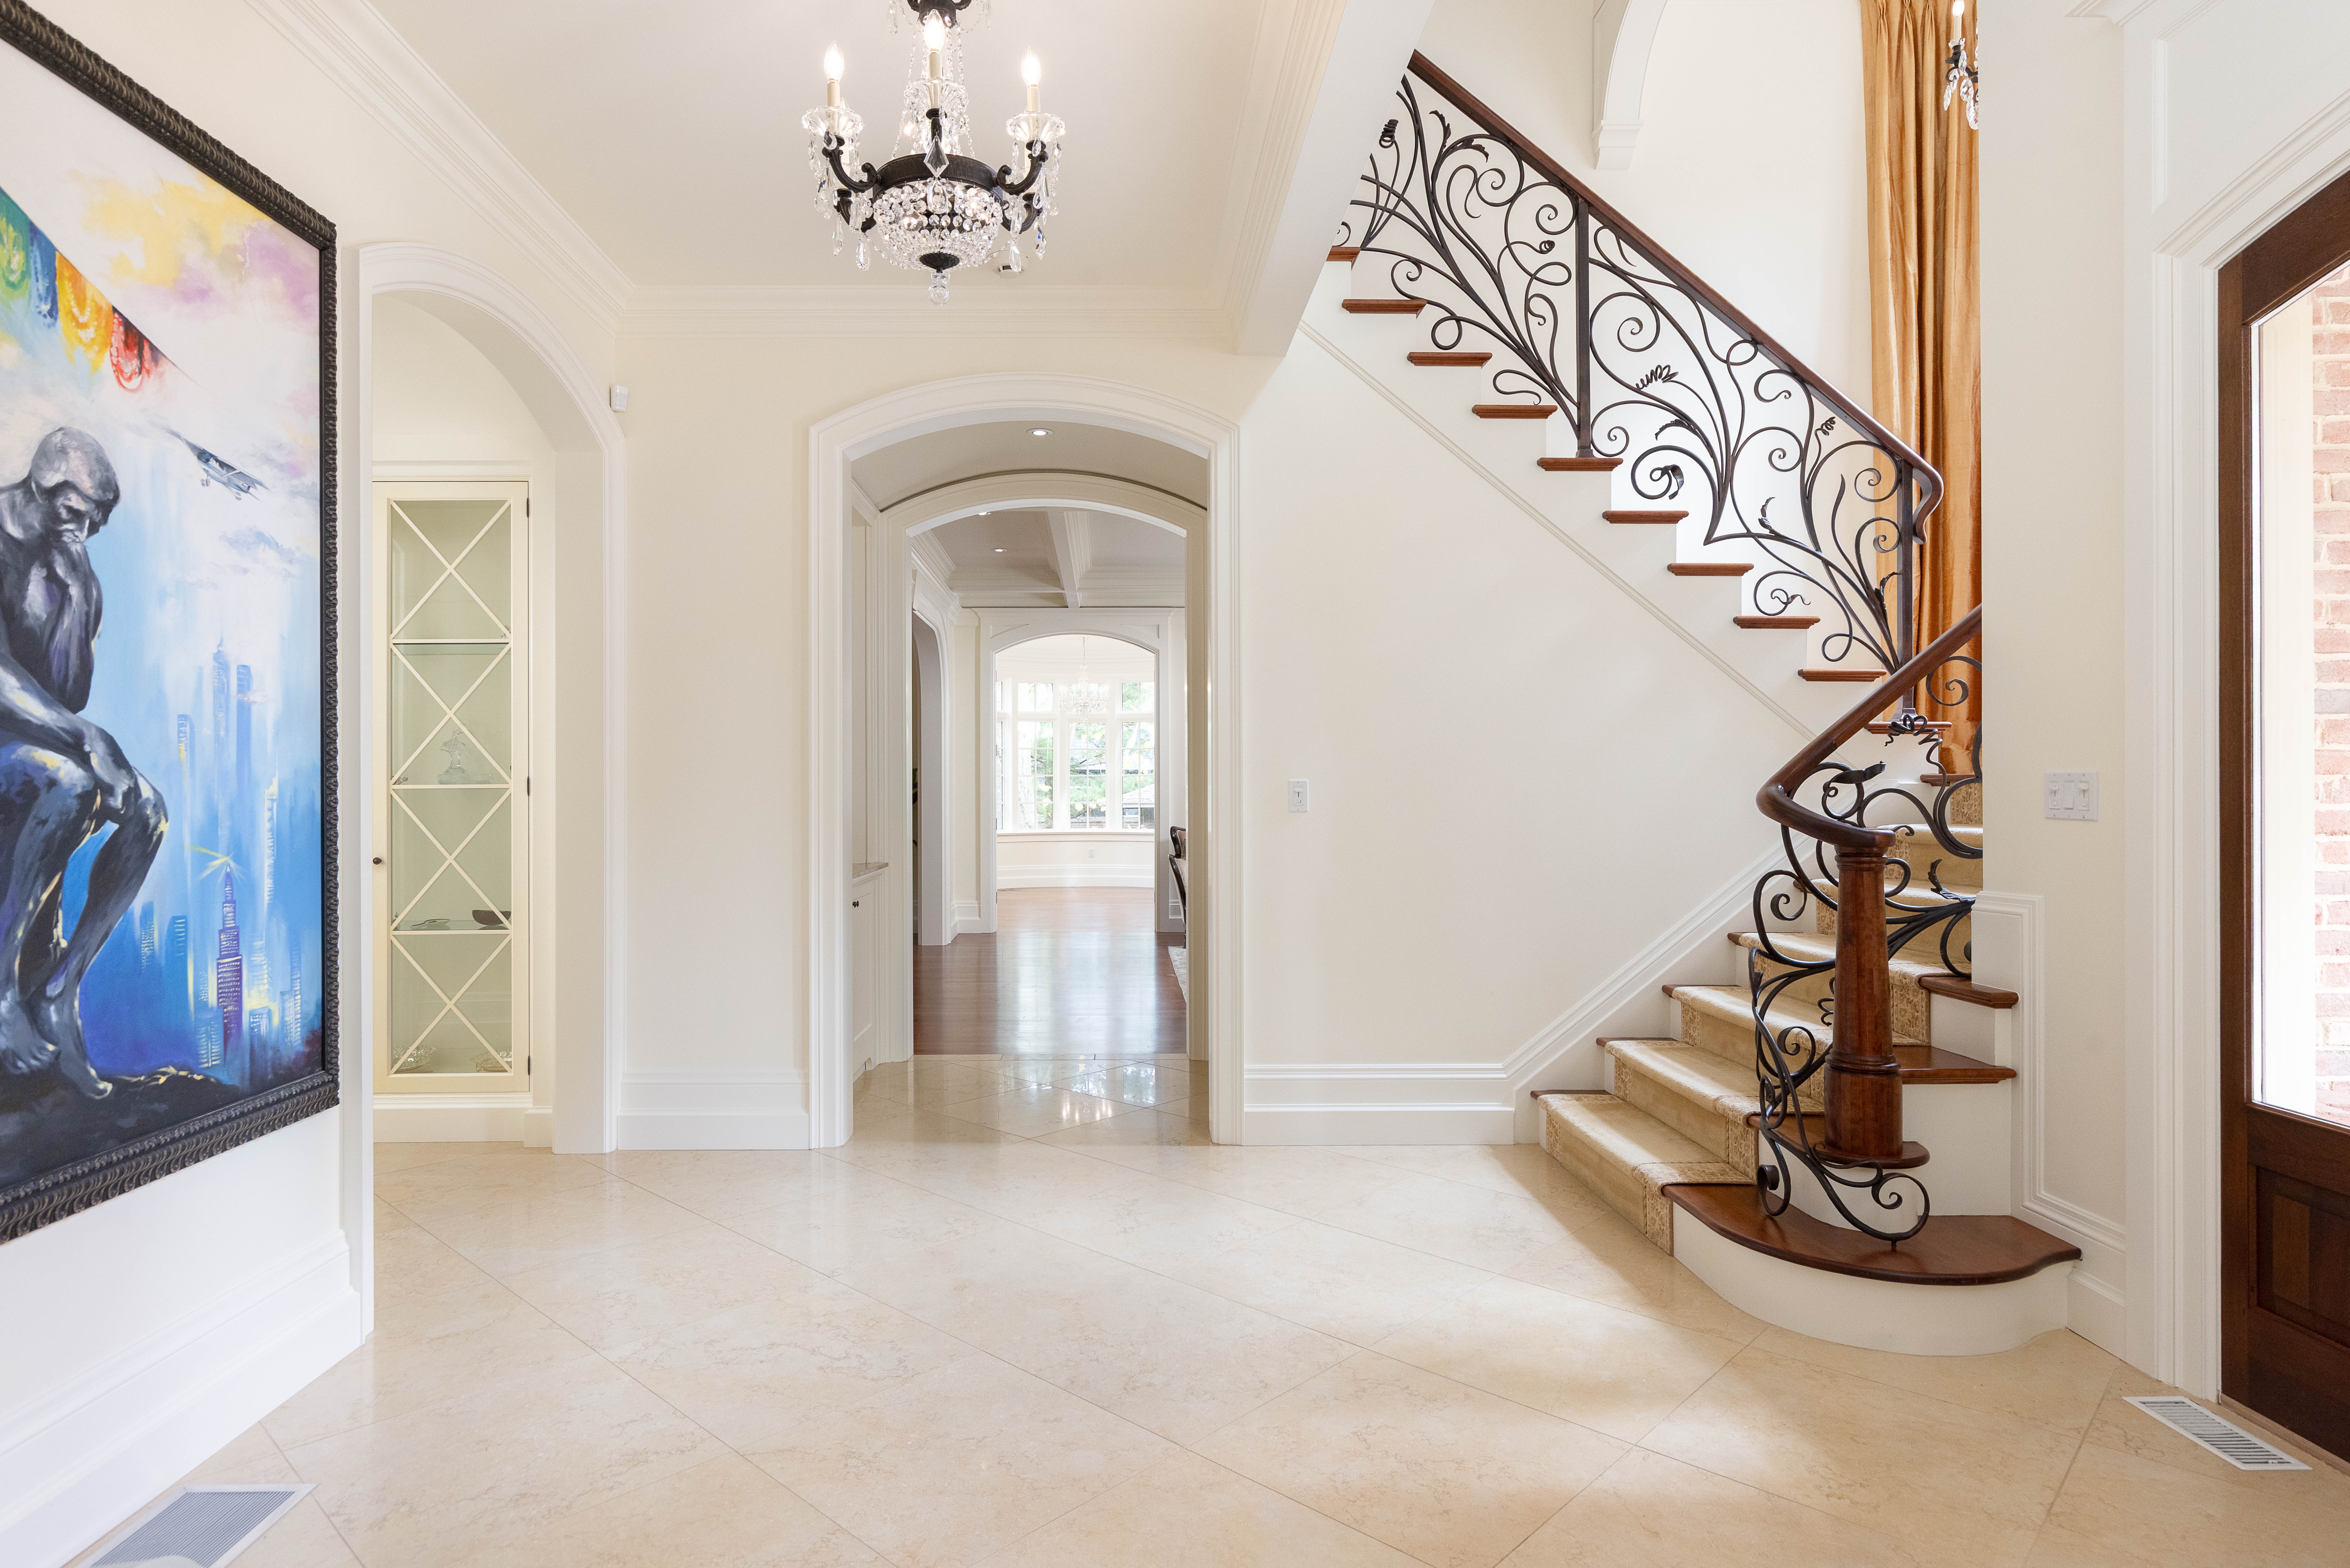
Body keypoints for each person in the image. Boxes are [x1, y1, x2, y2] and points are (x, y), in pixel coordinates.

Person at [0, 429, 167, 1099]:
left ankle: (60, 993)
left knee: (145, 810)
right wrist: (85, 738)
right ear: (44, 495)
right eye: (79, 517)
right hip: (19, 743)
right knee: (72, 782)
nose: (89, 532)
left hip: (38, 741)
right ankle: (4, 990)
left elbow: (71, 688)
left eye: (99, 521)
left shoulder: (68, 558)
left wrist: (75, 590)